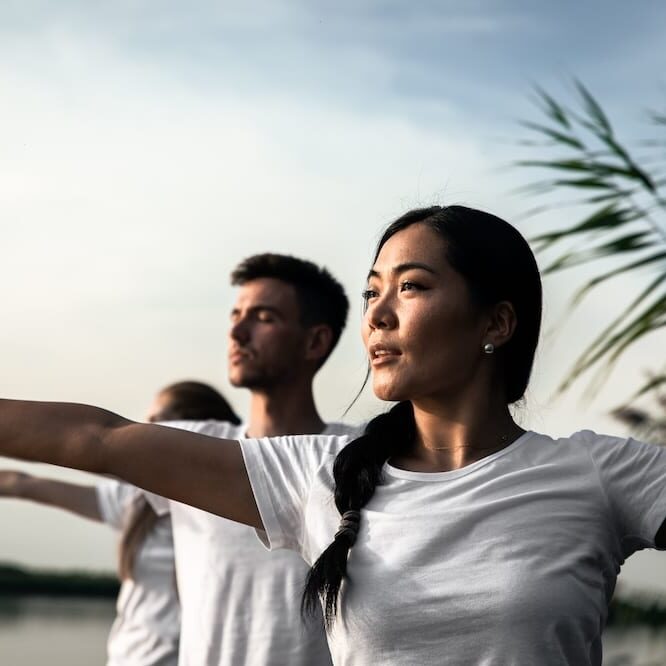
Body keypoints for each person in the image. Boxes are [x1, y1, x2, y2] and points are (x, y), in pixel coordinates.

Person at [1, 205, 665, 666]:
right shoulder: (317, 475)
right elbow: (96, 438)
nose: (377, 314)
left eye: (412, 287)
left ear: (495, 322)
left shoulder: (596, 475)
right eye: (374, 290)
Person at [145, 253, 352, 666]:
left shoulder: (355, 458)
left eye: (263, 317)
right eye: (236, 315)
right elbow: (91, 438)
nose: (237, 332)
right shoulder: (189, 450)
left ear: (315, 341)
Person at [0, 380, 239, 666]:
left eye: (155, 422)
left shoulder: (231, 513)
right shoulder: (136, 501)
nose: (141, 430)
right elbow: (23, 484)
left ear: (197, 432)